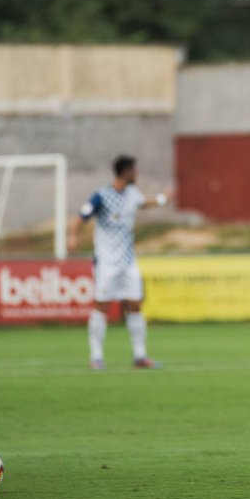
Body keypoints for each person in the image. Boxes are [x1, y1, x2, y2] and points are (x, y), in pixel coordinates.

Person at [67, 155, 172, 370]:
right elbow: (81, 217)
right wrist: (72, 236)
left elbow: (145, 202)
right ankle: (96, 357)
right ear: (126, 172)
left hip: (128, 261)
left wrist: (163, 198)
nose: (137, 174)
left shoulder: (132, 194)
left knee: (135, 304)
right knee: (102, 306)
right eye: (135, 170)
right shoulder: (102, 195)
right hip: (107, 262)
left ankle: (140, 356)